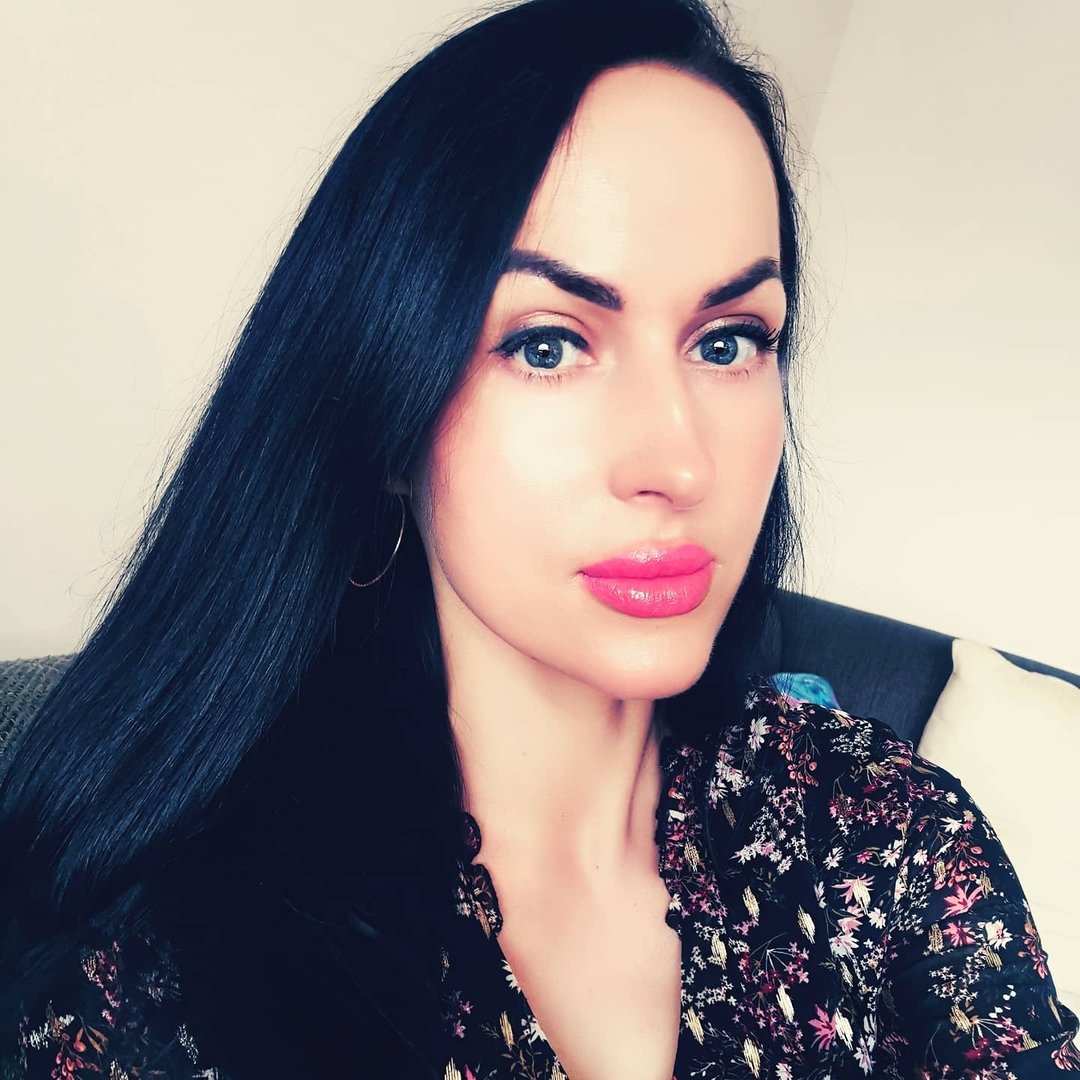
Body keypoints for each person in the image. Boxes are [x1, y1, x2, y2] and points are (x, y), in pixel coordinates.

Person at [1, 0, 1077, 1077]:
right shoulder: (163, 978)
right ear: (386, 404)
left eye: (729, 341)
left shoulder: (882, 825)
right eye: (549, 345)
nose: (680, 464)